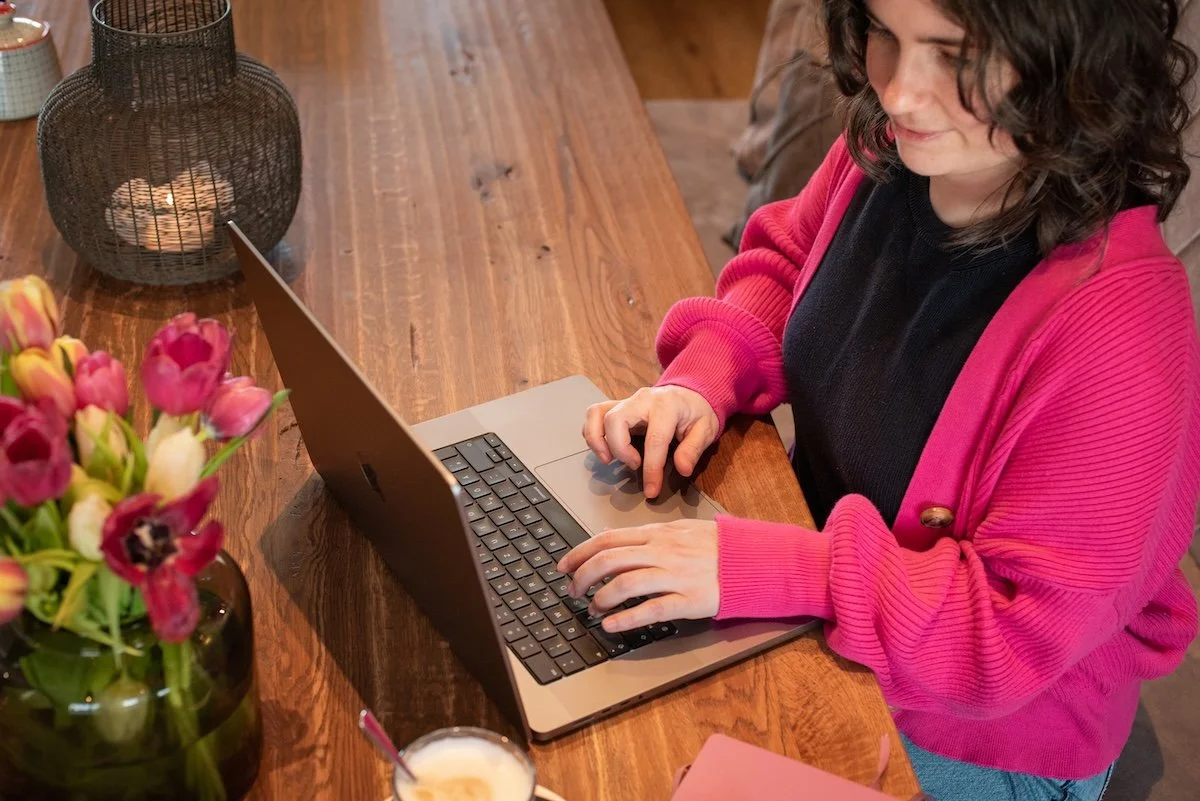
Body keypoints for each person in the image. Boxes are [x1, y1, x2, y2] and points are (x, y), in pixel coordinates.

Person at [555, 1, 1200, 799]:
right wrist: (704, 375)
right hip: (818, 592)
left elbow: (1004, 633)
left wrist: (773, 568)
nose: (897, 92)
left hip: (983, 728)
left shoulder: (1123, 333)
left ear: (1075, 63)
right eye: (885, 35)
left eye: (955, 55)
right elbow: (790, 265)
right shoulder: (890, 152)